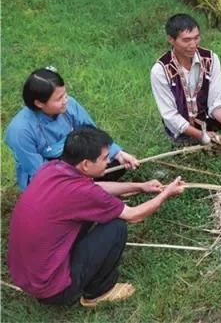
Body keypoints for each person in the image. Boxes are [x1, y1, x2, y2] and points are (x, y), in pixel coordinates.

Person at [7, 126, 186, 306]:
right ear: (85, 164)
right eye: (104, 158)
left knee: (93, 213)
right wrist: (166, 194)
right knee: (116, 226)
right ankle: (98, 292)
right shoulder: (81, 193)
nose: (108, 162)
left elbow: (96, 189)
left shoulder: (53, 168)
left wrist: (140, 186)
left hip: (29, 277)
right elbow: (134, 215)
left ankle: (73, 271)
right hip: (55, 290)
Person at [4, 67, 139, 191]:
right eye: (59, 98)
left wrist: (117, 152)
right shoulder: (20, 131)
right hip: (49, 176)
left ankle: (90, 191)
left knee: (115, 163)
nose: (65, 100)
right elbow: (40, 171)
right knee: (62, 192)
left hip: (76, 160)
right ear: (39, 103)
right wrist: (76, 178)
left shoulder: (70, 105)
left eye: (65, 94)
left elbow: (91, 134)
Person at [151, 13, 221, 145]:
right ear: (171, 40)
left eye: (196, 38)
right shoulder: (160, 71)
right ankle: (190, 142)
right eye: (186, 40)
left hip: (208, 119)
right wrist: (201, 135)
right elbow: (170, 116)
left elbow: (216, 102)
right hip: (182, 130)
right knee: (187, 138)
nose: (193, 45)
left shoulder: (210, 59)